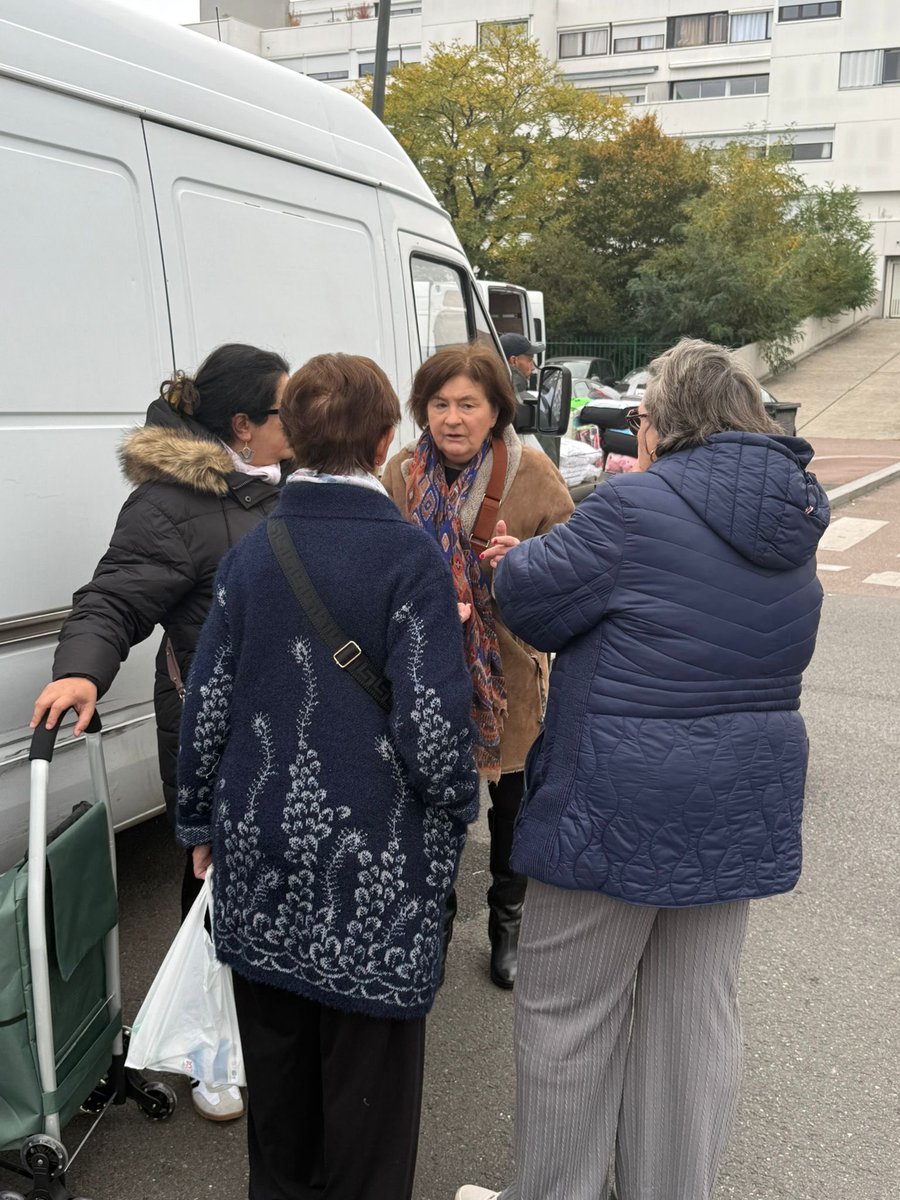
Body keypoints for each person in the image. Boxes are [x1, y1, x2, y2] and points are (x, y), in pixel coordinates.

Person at [457, 338, 830, 1200]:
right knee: (691, 1019)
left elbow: (536, 604)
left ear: (660, 427)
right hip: (742, 798)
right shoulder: (796, 514)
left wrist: (510, 562)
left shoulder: (633, 507)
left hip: (618, 800)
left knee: (568, 1017)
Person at [176, 353, 479, 1200]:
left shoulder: (253, 549)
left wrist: (198, 825)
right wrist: (459, 809)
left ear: (292, 440)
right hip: (377, 872)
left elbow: (208, 703)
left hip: (260, 849)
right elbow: (430, 727)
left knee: (279, 1097)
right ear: (388, 440)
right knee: (369, 1105)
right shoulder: (409, 558)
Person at [29, 342, 291, 1122]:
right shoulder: (172, 502)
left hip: (298, 723)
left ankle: (274, 1023)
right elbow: (112, 598)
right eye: (286, 410)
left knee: (283, 874)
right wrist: (82, 667)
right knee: (214, 877)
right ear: (244, 425)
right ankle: (210, 1052)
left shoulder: (289, 486)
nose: (301, 420)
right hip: (215, 724)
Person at [382, 344, 573, 989]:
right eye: (439, 404)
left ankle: (508, 923)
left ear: (496, 411)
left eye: (468, 404)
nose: (453, 418)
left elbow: (573, 575)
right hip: (425, 671)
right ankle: (433, 919)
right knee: (432, 805)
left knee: (511, 807)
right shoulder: (402, 473)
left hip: (508, 674)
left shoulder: (535, 474)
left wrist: (524, 563)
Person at [498, 332, 538, 399]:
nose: (533, 368)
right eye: (529, 361)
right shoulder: (516, 392)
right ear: (513, 361)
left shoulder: (496, 384)